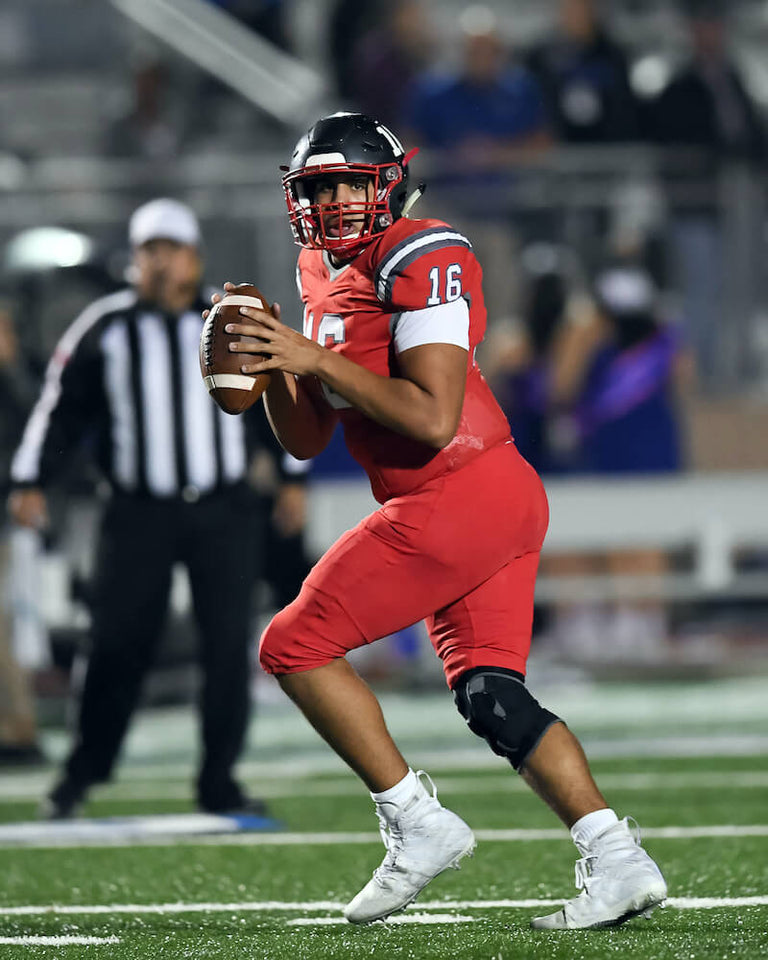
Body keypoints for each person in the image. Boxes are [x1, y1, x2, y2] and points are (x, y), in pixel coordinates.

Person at [214, 111, 667, 929]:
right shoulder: (316, 269)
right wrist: (275, 368)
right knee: (492, 697)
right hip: (472, 498)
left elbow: (430, 416)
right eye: (320, 188)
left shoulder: (426, 252)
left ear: (387, 186)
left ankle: (417, 823)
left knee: (291, 645)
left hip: (458, 492)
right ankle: (618, 860)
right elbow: (311, 436)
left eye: (350, 183)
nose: (336, 201)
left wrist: (313, 356)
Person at [8, 197, 307, 819]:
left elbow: (275, 402)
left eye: (168, 249)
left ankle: (218, 780)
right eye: (148, 250)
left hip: (224, 510)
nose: (157, 262)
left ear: (193, 256)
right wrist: (31, 477)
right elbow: (60, 410)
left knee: (227, 647)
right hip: (137, 511)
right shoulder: (105, 325)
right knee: (114, 642)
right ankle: (82, 772)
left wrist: (288, 477)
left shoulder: (229, 322)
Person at [0, 302, 45, 766]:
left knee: (2, 628)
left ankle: (18, 730)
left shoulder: (16, 370)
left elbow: (39, 420)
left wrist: (10, 362)